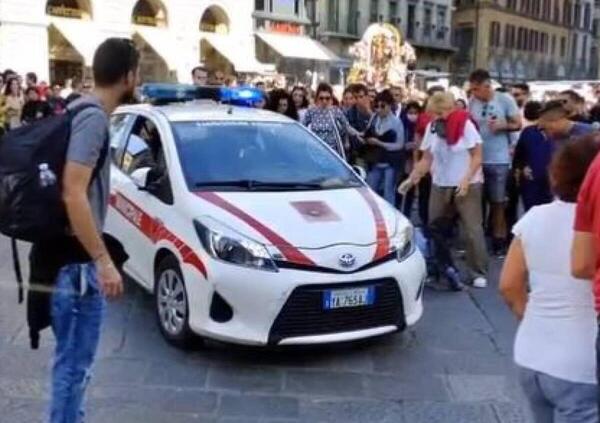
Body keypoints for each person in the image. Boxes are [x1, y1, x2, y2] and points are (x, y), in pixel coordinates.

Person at [30, 38, 139, 423]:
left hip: (61, 263)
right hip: (74, 270)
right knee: (74, 369)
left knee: (72, 366)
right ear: (129, 76)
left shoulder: (76, 107)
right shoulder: (93, 117)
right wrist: (103, 261)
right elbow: (73, 191)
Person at [501, 136, 600, 423]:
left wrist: (533, 319)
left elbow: (509, 285)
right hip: (581, 364)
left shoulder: (534, 217)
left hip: (531, 352)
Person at [400, 92, 489, 288]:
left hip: (467, 183)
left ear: (447, 110)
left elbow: (477, 156)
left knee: (472, 229)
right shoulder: (432, 128)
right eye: (432, 114)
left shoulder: (465, 125)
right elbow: (427, 158)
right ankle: (441, 268)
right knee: (434, 228)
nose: (433, 118)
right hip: (440, 183)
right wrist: (413, 178)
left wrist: (466, 180)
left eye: (437, 114)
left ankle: (477, 271)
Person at [469, 69, 522, 257]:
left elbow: (518, 123)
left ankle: (499, 241)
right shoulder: (472, 102)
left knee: (498, 202)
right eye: (472, 89)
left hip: (498, 159)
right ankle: (480, 240)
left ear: (487, 85)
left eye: (477, 89)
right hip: (477, 158)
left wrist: (503, 126)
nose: (474, 93)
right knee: (477, 202)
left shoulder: (505, 100)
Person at [364, 90, 405, 205]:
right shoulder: (375, 118)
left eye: (383, 106)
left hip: (390, 162)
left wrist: (379, 143)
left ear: (390, 105)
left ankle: (390, 218)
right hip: (376, 160)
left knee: (388, 193)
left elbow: (399, 145)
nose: (379, 109)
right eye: (376, 106)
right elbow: (366, 133)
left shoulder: (396, 122)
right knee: (370, 190)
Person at [512, 101, 553, 211]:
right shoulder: (528, 132)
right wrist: (522, 167)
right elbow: (519, 155)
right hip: (532, 182)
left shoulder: (559, 134)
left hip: (553, 183)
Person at [302, 82, 357, 156]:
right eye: (321, 98)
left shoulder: (335, 111)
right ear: (317, 98)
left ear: (331, 98)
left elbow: (346, 126)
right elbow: (303, 127)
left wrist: (358, 134)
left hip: (331, 152)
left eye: (327, 98)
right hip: (315, 150)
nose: (324, 101)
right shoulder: (311, 111)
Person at [399, 101, 422, 217]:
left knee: (411, 190)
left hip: (416, 161)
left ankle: (407, 214)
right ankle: (398, 211)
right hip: (403, 161)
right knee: (399, 188)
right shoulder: (402, 124)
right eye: (410, 112)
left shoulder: (421, 126)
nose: (413, 115)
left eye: (415, 113)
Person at [345, 83, 373, 165]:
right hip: (358, 152)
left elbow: (378, 125)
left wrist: (368, 111)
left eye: (361, 97)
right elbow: (347, 128)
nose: (358, 100)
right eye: (356, 97)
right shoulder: (350, 113)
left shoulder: (376, 108)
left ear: (367, 97)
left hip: (374, 151)